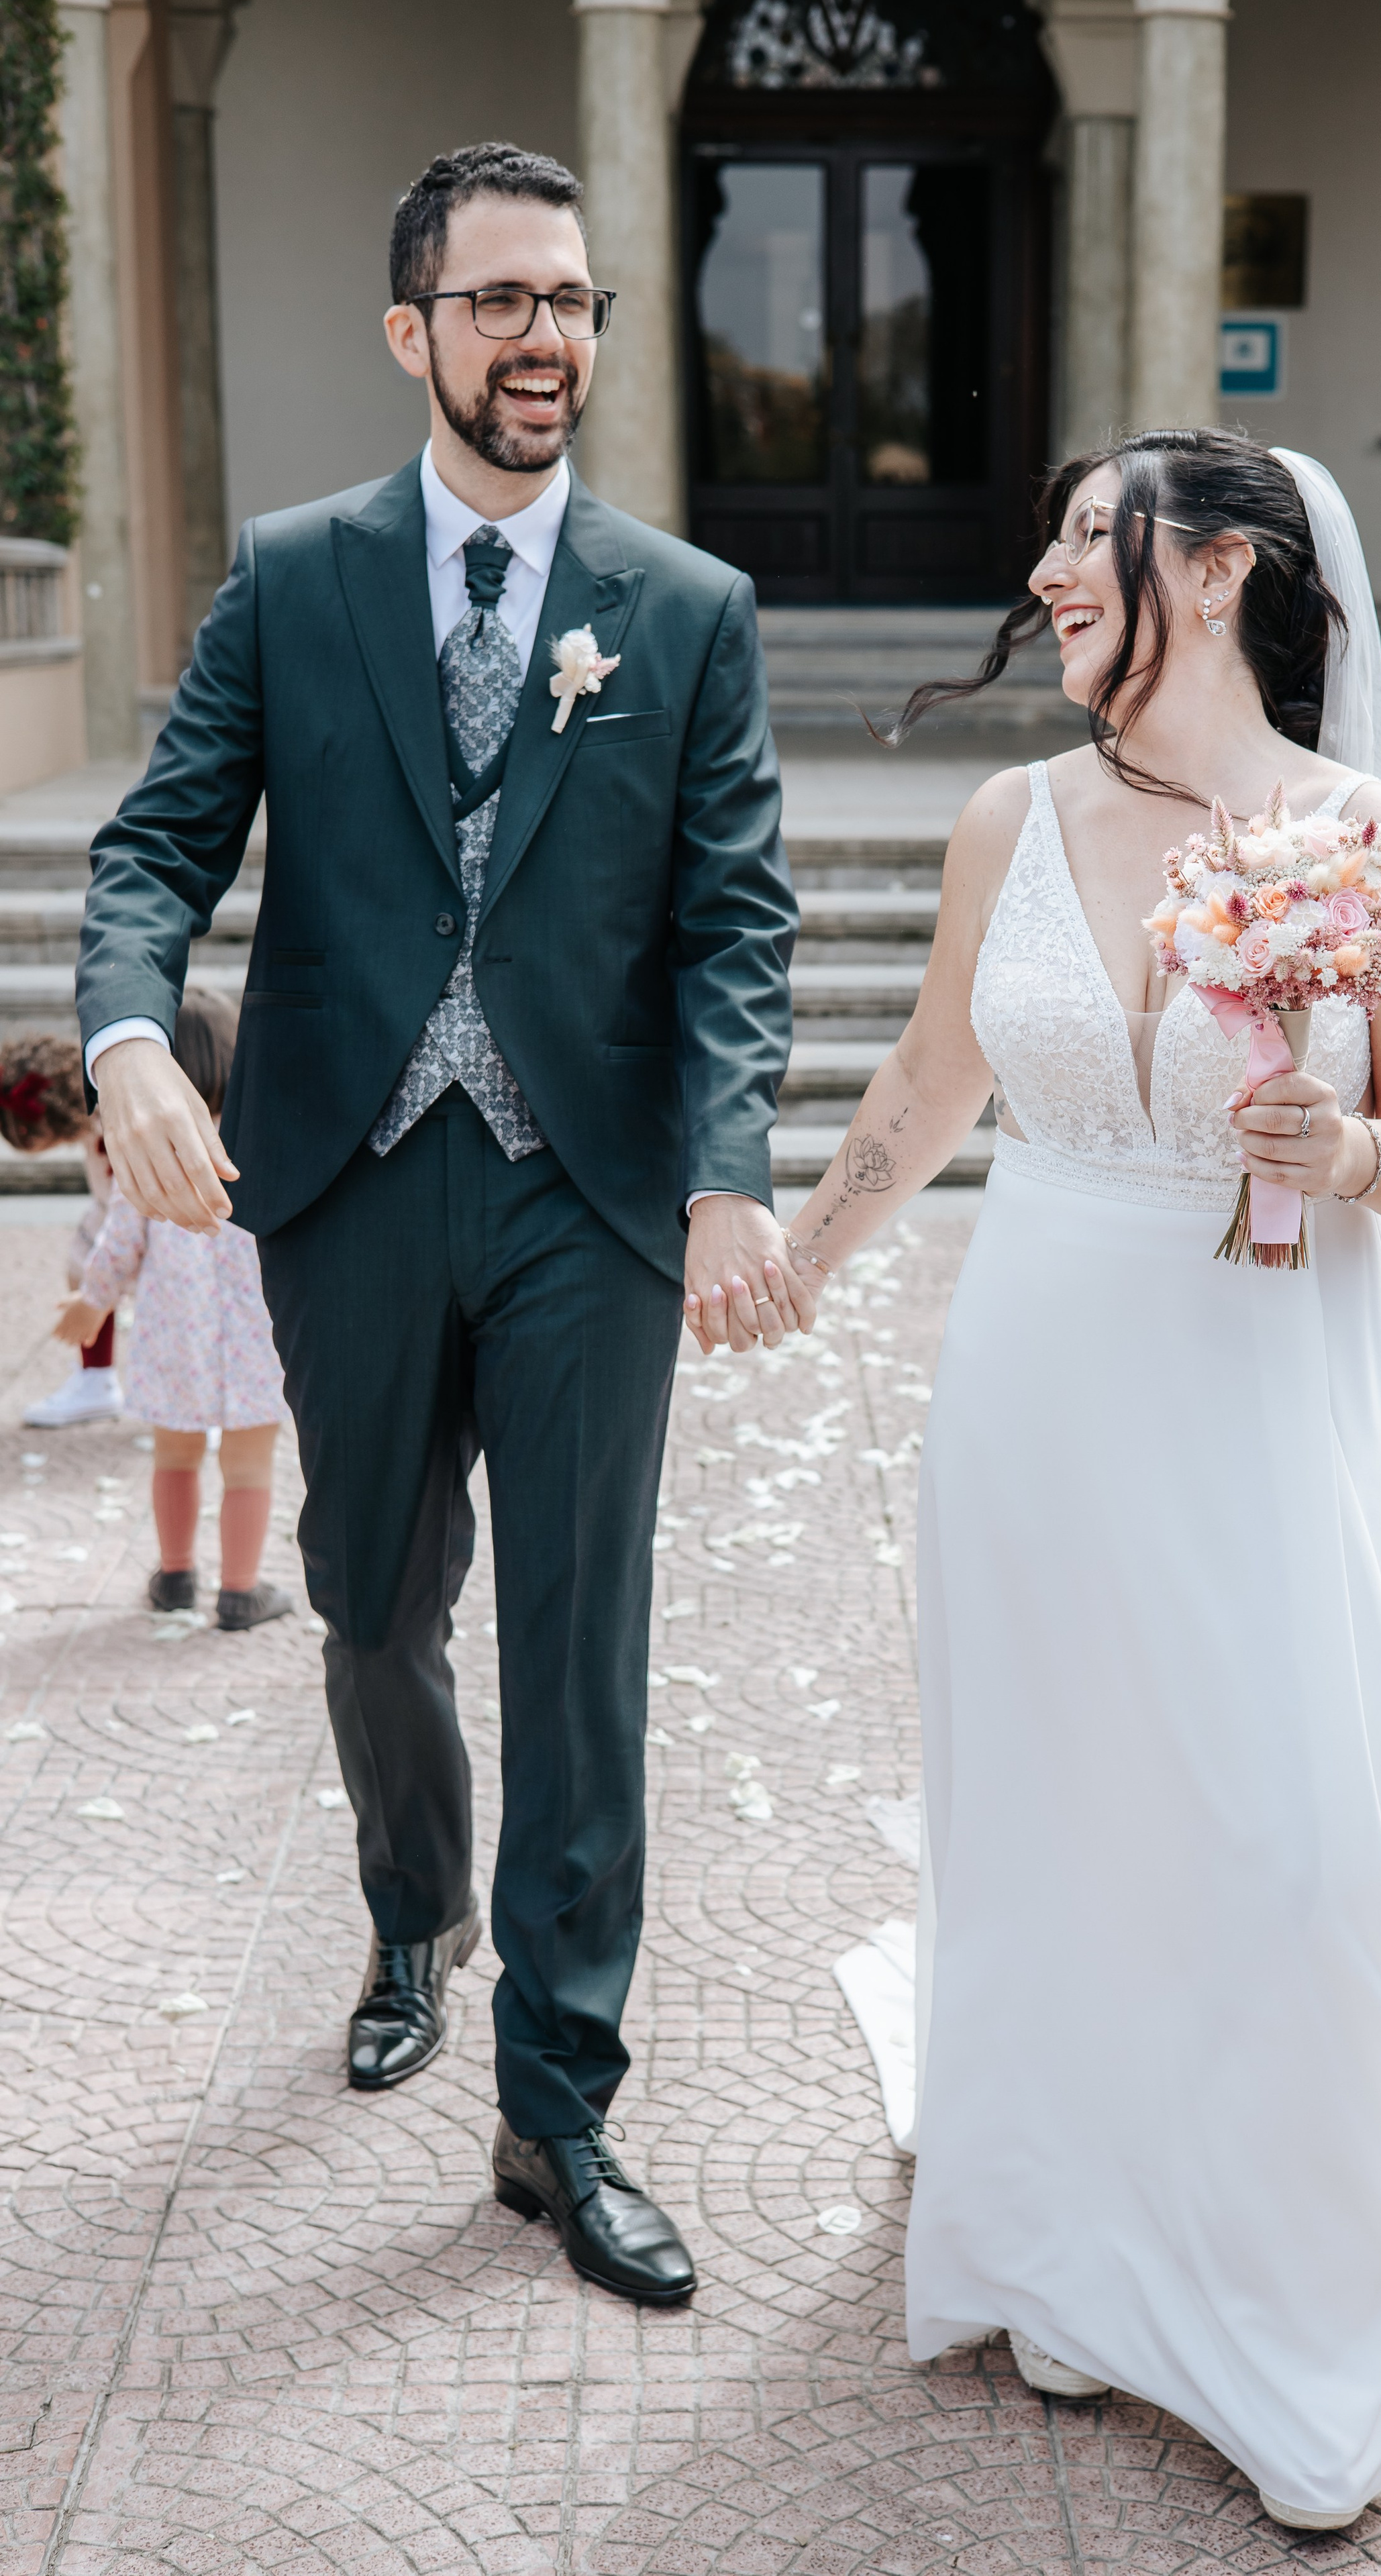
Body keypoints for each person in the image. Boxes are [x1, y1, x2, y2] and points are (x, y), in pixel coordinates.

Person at [74, 142, 811, 2305]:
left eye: (569, 299)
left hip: (593, 1194)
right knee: (369, 1597)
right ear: (414, 330)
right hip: (353, 1178)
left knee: (582, 1641)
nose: (542, 336)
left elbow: (737, 923)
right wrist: (128, 1039)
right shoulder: (294, 578)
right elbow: (157, 845)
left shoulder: (686, 610)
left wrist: (727, 1163)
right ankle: (416, 1907)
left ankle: (556, 2103)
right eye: (499, 300)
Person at [774, 431, 1381, 2529]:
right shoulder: (1010, 817)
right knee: (1057, 1811)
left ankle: (1302, 2317)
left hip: (1265, 1393)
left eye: (1095, 536)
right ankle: (1066, 2252)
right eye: (1056, 539)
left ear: (1226, 567)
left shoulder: (1371, 838)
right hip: (1039, 1380)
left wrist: (1346, 1151)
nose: (1051, 570)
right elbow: (936, 1077)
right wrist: (798, 1263)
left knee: (1288, 1842)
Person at [56, 990, 291, 1629]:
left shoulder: (151, 1147)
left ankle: (176, 1575)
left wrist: (93, 1301)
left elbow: (120, 1241)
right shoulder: (268, 1141)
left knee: (175, 1457)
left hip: (173, 1335)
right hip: (258, 1335)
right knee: (249, 1466)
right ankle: (240, 1591)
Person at [0, 1034, 125, 1427]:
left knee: (168, 1298)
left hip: (144, 1216)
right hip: (109, 1208)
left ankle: (198, 1401)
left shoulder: (114, 1112)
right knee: (81, 1267)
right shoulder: (87, 1116)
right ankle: (96, 1378)